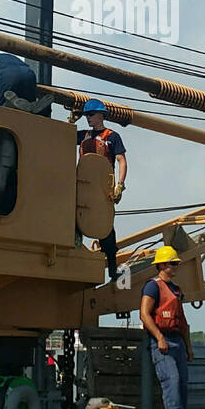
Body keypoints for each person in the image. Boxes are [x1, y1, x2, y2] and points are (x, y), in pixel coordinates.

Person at [76, 97, 127, 279]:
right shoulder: (83, 136)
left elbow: (121, 161)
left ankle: (113, 268)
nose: (87, 118)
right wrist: (70, 120)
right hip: (83, 187)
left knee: (105, 227)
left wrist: (120, 185)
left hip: (102, 189)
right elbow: (62, 135)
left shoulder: (112, 137)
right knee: (77, 220)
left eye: (90, 115)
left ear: (100, 115)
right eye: (85, 115)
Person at [140, 246, 194, 409]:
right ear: (162, 265)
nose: (176, 266)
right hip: (162, 342)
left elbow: (182, 321)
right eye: (173, 263)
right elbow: (144, 314)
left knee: (182, 382)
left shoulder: (176, 290)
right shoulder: (152, 286)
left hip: (177, 341)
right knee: (172, 379)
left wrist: (188, 347)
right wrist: (159, 337)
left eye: (176, 263)